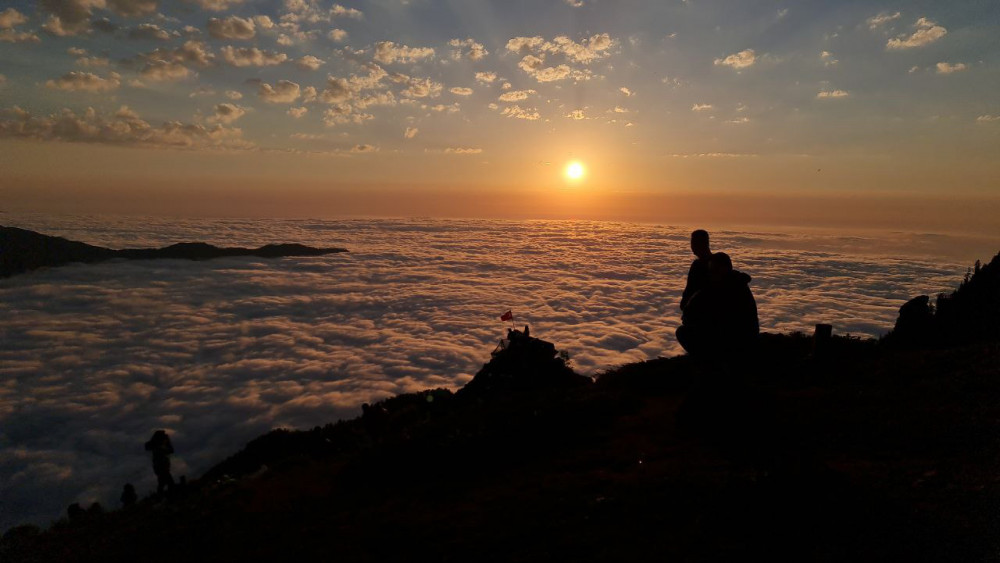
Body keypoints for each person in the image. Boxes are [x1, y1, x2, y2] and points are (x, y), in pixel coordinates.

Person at [676, 252, 759, 355]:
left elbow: (718, 320)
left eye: (715, 270)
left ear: (726, 269)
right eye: (710, 271)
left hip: (735, 345)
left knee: (683, 332)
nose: (711, 274)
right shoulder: (738, 283)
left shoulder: (727, 289)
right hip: (744, 341)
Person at [681, 230, 712, 312]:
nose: (691, 246)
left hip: (699, 317)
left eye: (693, 243)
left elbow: (690, 290)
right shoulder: (719, 263)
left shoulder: (698, 266)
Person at [144, 430, 175, 496]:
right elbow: (170, 450)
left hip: (161, 466)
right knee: (168, 482)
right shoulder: (157, 446)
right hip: (161, 466)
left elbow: (170, 450)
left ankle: (164, 495)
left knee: (163, 482)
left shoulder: (158, 445)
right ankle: (169, 495)